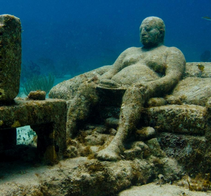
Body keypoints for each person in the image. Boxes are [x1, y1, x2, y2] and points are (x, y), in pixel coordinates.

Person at [66, 16, 186, 161]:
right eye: (141, 29)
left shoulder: (171, 52)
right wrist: (98, 80)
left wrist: (151, 86)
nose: (143, 32)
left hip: (142, 90)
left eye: (147, 29)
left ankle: (117, 144)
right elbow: (111, 73)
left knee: (135, 91)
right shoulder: (129, 51)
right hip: (114, 88)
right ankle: (66, 135)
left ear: (161, 32)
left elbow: (172, 77)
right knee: (87, 86)